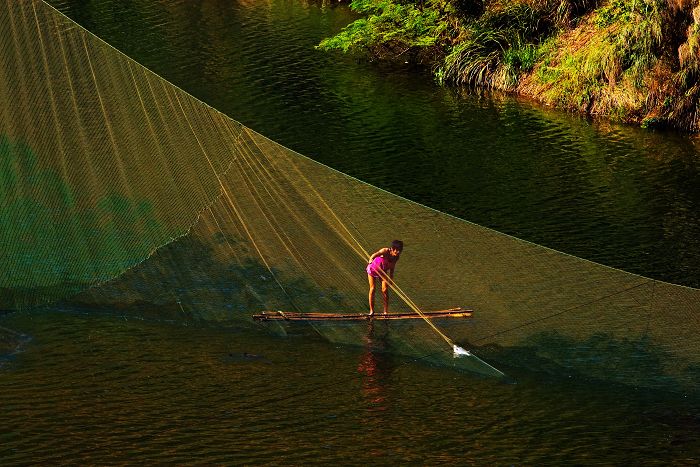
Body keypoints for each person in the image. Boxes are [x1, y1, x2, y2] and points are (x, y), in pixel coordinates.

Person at [366, 240, 403, 316]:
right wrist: (370, 260)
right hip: (373, 269)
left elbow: (392, 267)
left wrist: (391, 278)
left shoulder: (396, 257)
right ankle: (371, 311)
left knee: (385, 290)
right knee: (372, 289)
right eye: (397, 250)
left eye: (400, 250)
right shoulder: (385, 251)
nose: (398, 252)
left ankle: (385, 311)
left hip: (383, 272)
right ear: (393, 249)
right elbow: (374, 254)